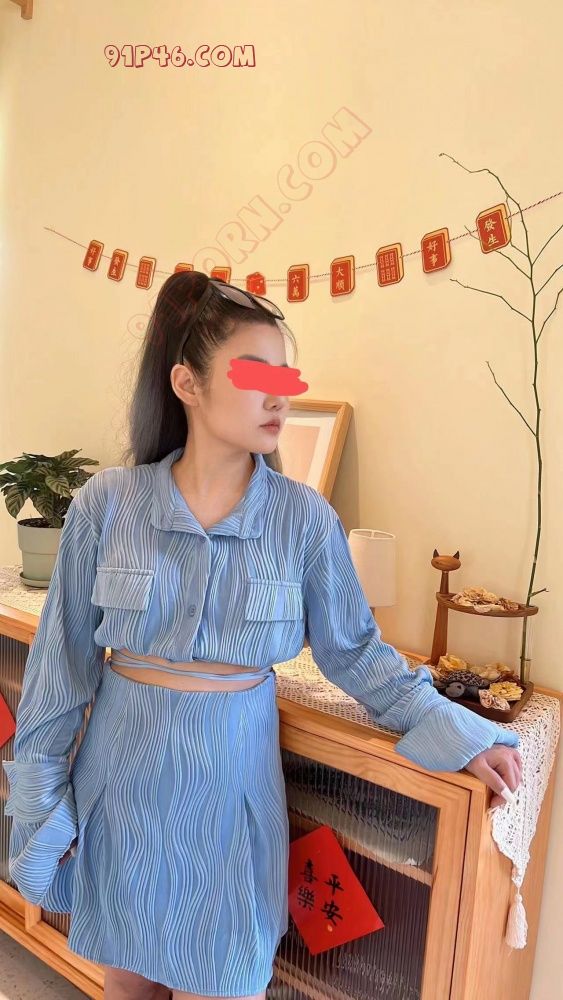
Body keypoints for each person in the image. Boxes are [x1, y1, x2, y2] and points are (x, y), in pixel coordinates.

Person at [3, 271, 522, 1000]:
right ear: (186, 383)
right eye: (257, 374)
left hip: (232, 801)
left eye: (285, 375)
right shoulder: (107, 505)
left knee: (225, 979)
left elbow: (356, 655)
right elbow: (60, 670)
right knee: (126, 984)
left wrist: (458, 732)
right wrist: (37, 804)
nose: (281, 394)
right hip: (120, 790)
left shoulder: (303, 521)